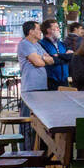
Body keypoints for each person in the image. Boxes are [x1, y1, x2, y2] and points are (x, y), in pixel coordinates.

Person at [17, 20, 53, 150]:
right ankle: (26, 151)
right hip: (30, 89)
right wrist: (41, 59)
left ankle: (37, 149)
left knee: (40, 122)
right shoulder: (25, 44)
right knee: (28, 122)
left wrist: (41, 59)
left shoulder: (37, 45)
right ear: (31, 31)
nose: (40, 32)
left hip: (42, 88)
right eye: (38, 29)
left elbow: (50, 59)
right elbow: (39, 62)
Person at [39, 18, 70, 90]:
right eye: (56, 27)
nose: (59, 29)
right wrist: (65, 58)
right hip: (50, 81)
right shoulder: (42, 44)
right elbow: (50, 61)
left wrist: (58, 56)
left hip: (65, 81)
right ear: (48, 30)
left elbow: (71, 57)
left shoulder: (62, 44)